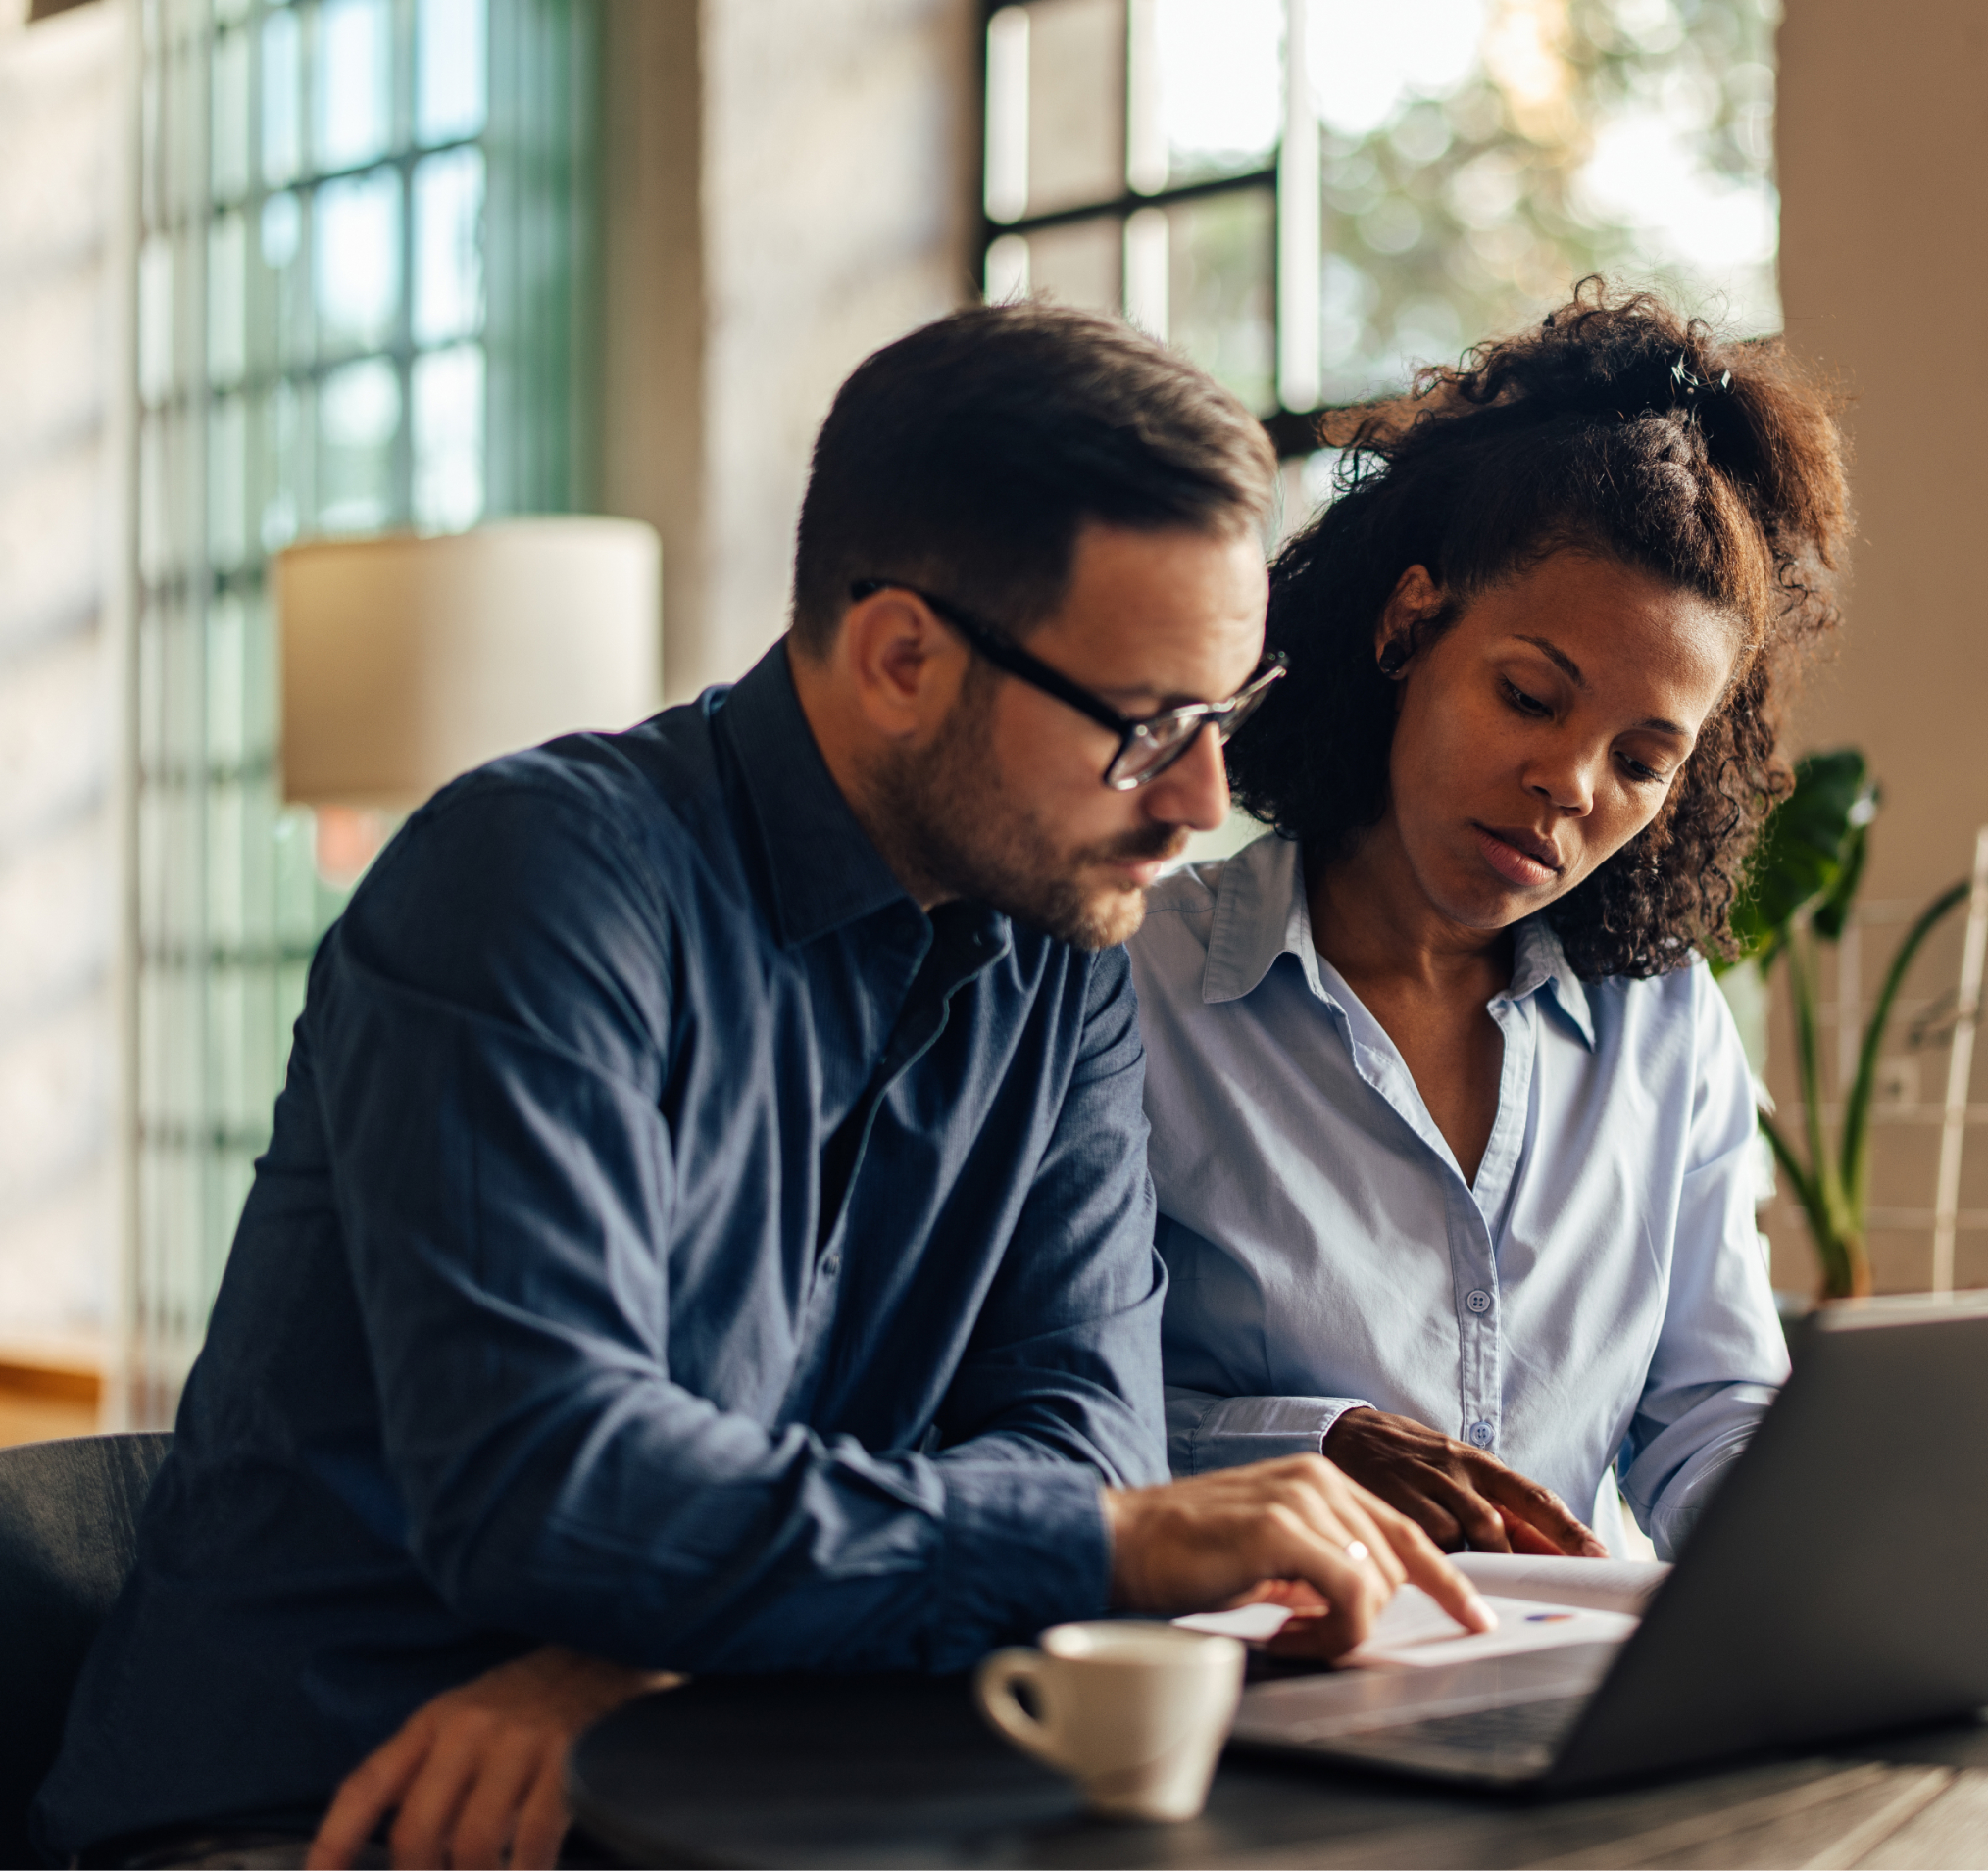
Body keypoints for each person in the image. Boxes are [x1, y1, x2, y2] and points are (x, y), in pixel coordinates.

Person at [35, 304, 1485, 1871]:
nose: (1198, 803)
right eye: (1146, 730)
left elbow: (1082, 1429)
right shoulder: (528, 885)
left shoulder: (1061, 948)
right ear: (900, 656)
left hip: (723, 1757)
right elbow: (559, 1483)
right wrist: (1085, 1549)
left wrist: (671, 1638)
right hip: (320, 1809)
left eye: (1223, 715)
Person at [1131, 283, 1852, 1561]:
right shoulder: (1141, 990)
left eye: (1642, 760)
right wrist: (1312, 1441)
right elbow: (1042, 1413)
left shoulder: (1662, 1024)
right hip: (1257, 1693)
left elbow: (1711, 1410)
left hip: (1565, 1696)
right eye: (1530, 696)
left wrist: (1825, 1549)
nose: (1572, 785)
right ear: (1411, 623)